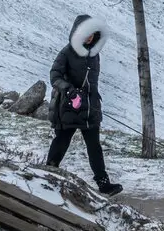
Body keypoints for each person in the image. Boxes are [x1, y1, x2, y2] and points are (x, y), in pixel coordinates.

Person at [47, 14, 122, 194]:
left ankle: (104, 184)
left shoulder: (94, 55)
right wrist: (69, 90)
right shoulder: (66, 52)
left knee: (94, 146)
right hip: (70, 106)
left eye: (93, 34)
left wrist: (93, 100)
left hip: (90, 108)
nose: (90, 37)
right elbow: (54, 76)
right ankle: (48, 172)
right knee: (62, 140)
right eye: (87, 33)